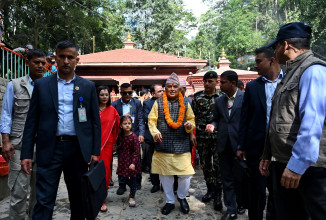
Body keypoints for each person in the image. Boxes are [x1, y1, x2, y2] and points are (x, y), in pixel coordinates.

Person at [20, 40, 101, 220]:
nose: (65, 61)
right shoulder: (42, 85)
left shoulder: (87, 87)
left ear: (76, 60)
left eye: (70, 57)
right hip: (49, 149)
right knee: (43, 201)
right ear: (54, 58)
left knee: (79, 200)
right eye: (62, 56)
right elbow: (31, 121)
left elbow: (95, 122)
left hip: (78, 151)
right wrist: (26, 153)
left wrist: (95, 151)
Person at [260, 22, 326, 220]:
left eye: (276, 46)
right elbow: (279, 119)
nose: (275, 51)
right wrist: (268, 154)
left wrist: (297, 166)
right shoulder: (291, 72)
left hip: (307, 168)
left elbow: (312, 122)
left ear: (286, 45)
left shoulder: (313, 70)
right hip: (285, 163)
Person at [0, 49, 46, 220]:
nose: (40, 66)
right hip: (18, 145)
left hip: (42, 146)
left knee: (39, 194)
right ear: (27, 62)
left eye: (43, 63)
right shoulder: (15, 85)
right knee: (19, 193)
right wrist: (6, 141)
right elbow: (6, 114)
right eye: (36, 62)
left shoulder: (49, 87)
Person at [237, 47, 282, 220]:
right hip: (257, 148)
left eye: (258, 61)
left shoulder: (290, 81)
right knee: (256, 191)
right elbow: (245, 117)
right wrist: (241, 145)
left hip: (281, 149)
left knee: (278, 192)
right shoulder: (253, 87)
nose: (255, 65)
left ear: (272, 60)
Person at [148, 72, 195, 215]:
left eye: (175, 86)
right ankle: (169, 201)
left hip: (182, 143)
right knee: (165, 175)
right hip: (164, 144)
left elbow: (191, 119)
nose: (173, 89)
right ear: (165, 88)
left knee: (186, 174)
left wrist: (189, 126)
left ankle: (181, 198)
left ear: (179, 88)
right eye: (169, 86)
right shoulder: (158, 103)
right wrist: (155, 132)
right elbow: (151, 120)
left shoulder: (186, 102)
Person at [206, 70, 244, 220]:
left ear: (233, 83)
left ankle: (241, 202)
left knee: (241, 177)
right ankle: (231, 209)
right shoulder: (220, 101)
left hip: (241, 146)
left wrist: (245, 145)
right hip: (223, 145)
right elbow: (216, 119)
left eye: (222, 82)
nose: (219, 84)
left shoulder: (245, 98)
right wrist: (212, 125)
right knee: (227, 178)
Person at [191, 71, 223, 211]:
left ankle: (218, 195)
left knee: (218, 165)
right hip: (202, 136)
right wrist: (192, 134)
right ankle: (210, 190)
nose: (207, 84)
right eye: (205, 81)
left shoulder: (222, 97)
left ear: (217, 82)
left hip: (218, 136)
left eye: (210, 81)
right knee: (205, 164)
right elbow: (192, 117)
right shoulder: (197, 97)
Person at [111, 83, 145, 194]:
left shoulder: (137, 103)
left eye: (129, 92)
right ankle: (122, 184)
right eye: (125, 93)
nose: (127, 95)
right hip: (121, 138)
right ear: (120, 93)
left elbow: (140, 120)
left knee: (136, 159)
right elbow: (113, 122)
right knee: (122, 160)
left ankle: (137, 181)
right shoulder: (115, 104)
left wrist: (141, 134)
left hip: (134, 136)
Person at [97, 85, 120, 212]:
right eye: (101, 95)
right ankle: (91, 197)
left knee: (104, 173)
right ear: (97, 96)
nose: (104, 97)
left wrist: (114, 144)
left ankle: (102, 200)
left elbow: (116, 129)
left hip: (107, 145)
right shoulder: (92, 109)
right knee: (90, 172)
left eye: (106, 95)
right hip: (92, 145)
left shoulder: (113, 111)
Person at [116, 115, 141, 207]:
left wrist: (133, 163)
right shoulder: (122, 136)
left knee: (133, 179)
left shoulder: (134, 137)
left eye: (129, 123)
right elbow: (121, 146)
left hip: (132, 161)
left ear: (131, 125)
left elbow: (136, 152)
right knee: (123, 178)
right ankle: (133, 188)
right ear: (121, 125)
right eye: (125, 123)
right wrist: (115, 148)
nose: (127, 125)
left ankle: (132, 196)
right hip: (124, 160)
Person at [143, 84, 164, 193]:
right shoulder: (147, 103)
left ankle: (165, 184)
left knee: (164, 161)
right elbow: (147, 117)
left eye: (162, 91)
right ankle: (155, 184)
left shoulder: (167, 101)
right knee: (152, 162)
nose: (162, 93)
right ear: (153, 93)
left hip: (165, 137)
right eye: (159, 91)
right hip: (151, 137)